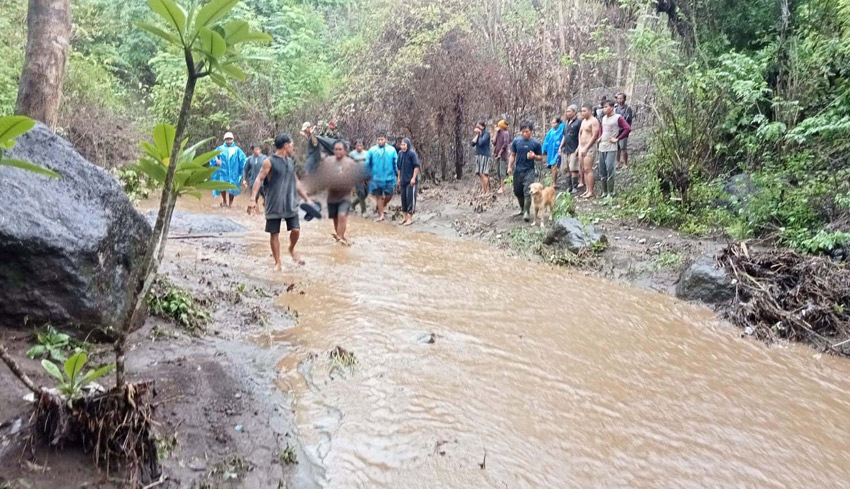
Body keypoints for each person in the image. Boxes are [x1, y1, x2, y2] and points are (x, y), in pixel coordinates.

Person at [248, 133, 314, 270]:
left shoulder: (289, 161)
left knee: (296, 230)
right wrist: (252, 199)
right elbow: (259, 179)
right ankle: (278, 262)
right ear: (286, 145)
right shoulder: (269, 161)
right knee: (274, 233)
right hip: (274, 202)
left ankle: (291, 248)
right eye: (292, 145)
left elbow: (296, 182)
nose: (293, 148)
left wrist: (307, 199)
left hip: (290, 202)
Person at [319, 140, 357, 245]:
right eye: (336, 149)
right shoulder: (328, 161)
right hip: (332, 195)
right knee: (335, 217)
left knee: (342, 215)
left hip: (345, 195)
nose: (338, 151)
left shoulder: (350, 163)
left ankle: (340, 237)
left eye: (340, 149)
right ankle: (340, 236)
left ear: (345, 151)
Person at [508, 121, 544, 222]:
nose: (524, 133)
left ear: (531, 131)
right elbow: (512, 155)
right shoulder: (516, 142)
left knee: (528, 191)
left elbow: (540, 157)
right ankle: (522, 208)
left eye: (527, 131)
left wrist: (534, 156)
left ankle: (527, 211)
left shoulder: (535, 143)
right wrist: (510, 167)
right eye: (523, 132)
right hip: (518, 170)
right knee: (517, 191)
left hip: (529, 170)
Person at [598, 100, 632, 197]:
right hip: (602, 146)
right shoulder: (604, 118)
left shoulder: (618, 118)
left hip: (611, 147)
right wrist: (600, 136)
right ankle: (604, 191)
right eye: (603, 107)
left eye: (606, 107)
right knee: (602, 169)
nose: (604, 109)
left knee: (610, 168)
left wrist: (618, 138)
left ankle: (611, 192)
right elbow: (601, 128)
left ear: (612, 107)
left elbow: (627, 128)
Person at [366, 133, 398, 222]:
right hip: (376, 178)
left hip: (389, 177)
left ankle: (382, 205)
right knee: (378, 196)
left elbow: (396, 162)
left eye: (382, 139)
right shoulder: (372, 150)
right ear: (376, 140)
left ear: (386, 140)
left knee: (389, 194)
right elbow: (367, 163)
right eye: (378, 139)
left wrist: (398, 174)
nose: (380, 141)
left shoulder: (392, 150)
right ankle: (381, 215)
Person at [211, 132, 246, 207]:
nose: (229, 141)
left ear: (233, 139)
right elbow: (213, 156)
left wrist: (244, 169)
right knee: (222, 186)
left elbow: (244, 160)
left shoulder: (237, 150)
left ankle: (230, 203)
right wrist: (216, 160)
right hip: (223, 171)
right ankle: (224, 201)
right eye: (227, 139)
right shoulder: (220, 148)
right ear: (224, 139)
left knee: (232, 187)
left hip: (234, 172)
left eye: (230, 139)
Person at [578, 104, 601, 199]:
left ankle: (591, 191)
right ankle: (587, 189)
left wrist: (586, 147)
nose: (583, 113)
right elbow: (580, 133)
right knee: (583, 169)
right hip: (581, 147)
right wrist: (579, 146)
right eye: (582, 111)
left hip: (589, 148)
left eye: (585, 111)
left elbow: (595, 136)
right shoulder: (583, 121)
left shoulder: (594, 121)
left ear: (590, 111)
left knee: (588, 169)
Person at [558, 105, 582, 193]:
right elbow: (564, 136)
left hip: (574, 148)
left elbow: (581, 135)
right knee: (565, 168)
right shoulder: (566, 123)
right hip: (565, 148)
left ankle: (575, 186)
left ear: (574, 112)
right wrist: (560, 147)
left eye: (569, 111)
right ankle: (569, 186)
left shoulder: (579, 122)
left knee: (573, 168)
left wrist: (579, 147)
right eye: (567, 111)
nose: (567, 113)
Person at [396, 138, 420, 226]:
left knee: (410, 199)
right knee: (403, 199)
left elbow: (416, 166)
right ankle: (404, 217)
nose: (402, 147)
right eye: (401, 145)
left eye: (404, 145)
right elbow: (399, 167)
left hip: (411, 181)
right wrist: (399, 178)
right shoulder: (400, 154)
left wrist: (413, 178)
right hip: (403, 180)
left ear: (408, 145)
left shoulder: (412, 154)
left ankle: (410, 218)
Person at [542, 116, 564, 187]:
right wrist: (544, 149)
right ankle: (554, 182)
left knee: (557, 165)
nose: (553, 124)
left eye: (554, 123)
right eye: (552, 123)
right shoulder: (551, 131)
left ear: (558, 123)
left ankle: (556, 182)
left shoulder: (562, 130)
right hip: (551, 151)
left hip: (560, 150)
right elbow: (546, 140)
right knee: (553, 166)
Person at [470, 121, 492, 194]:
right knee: (479, 173)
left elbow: (481, 142)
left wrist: (479, 134)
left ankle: (488, 191)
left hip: (484, 155)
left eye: (479, 127)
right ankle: (483, 190)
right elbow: (473, 143)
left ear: (483, 127)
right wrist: (477, 135)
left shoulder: (486, 134)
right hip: (478, 155)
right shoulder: (478, 135)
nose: (477, 128)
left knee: (484, 173)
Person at [349, 139, 369, 215]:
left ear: (363, 146)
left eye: (361, 145)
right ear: (355, 146)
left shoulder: (367, 153)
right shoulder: (352, 154)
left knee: (366, 193)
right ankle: (364, 211)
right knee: (361, 193)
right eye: (357, 145)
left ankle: (353, 204)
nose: (359, 147)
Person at [615, 92, 634, 169]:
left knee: (623, 147)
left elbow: (628, 119)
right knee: (617, 148)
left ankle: (625, 163)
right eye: (618, 98)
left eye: (621, 98)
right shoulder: (616, 109)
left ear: (624, 99)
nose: (619, 100)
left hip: (624, 130)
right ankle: (618, 163)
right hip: (616, 130)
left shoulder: (627, 109)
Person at [492, 120, 511, 194]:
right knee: (498, 171)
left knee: (502, 171)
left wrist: (500, 152)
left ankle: (503, 187)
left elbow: (505, 144)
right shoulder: (498, 133)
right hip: (497, 154)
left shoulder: (506, 133)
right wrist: (495, 133)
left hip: (503, 155)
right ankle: (501, 186)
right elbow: (493, 142)